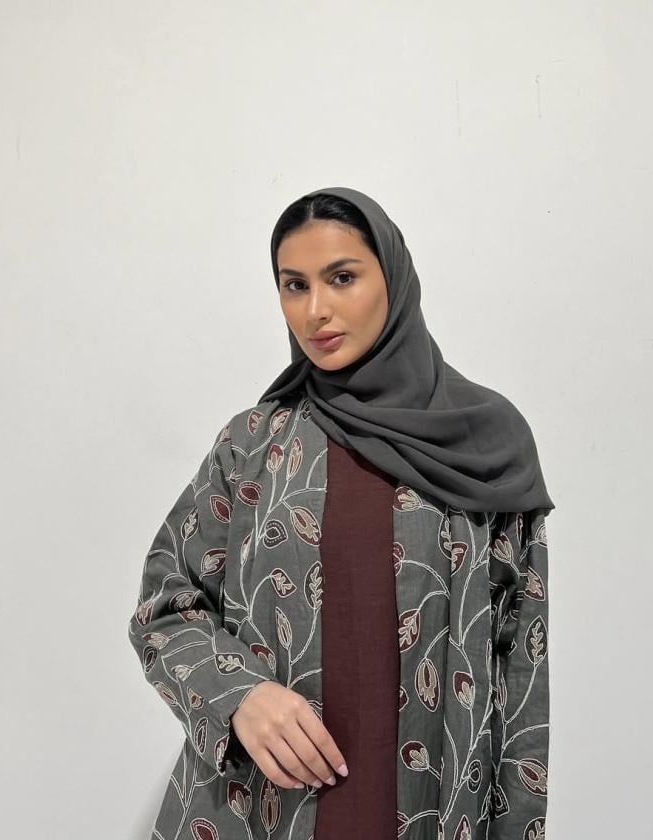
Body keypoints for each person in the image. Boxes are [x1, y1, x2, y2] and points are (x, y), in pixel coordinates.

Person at [128, 186, 555, 840]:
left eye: (342, 278)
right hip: (261, 814)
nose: (315, 310)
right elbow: (165, 607)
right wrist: (240, 694)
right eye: (294, 286)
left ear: (394, 279)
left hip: (433, 812)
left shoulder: (484, 444)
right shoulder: (253, 445)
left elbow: (520, 673)